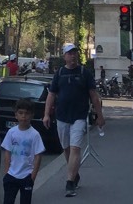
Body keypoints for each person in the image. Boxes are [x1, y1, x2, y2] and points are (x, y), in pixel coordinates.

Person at [43, 44, 105, 198]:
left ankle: (70, 182)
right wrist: (46, 114)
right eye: (69, 53)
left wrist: (99, 115)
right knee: (66, 148)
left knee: (75, 147)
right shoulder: (60, 73)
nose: (73, 56)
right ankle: (74, 173)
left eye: (74, 53)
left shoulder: (85, 73)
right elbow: (51, 95)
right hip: (62, 116)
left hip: (79, 116)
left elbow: (93, 96)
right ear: (64, 56)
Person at [2, 98, 45, 204]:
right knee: (8, 201)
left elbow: (38, 156)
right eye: (20, 113)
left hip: (27, 175)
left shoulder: (34, 134)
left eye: (27, 113)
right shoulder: (11, 132)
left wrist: (32, 177)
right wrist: (7, 172)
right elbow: (7, 152)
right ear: (16, 115)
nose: (23, 116)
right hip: (11, 175)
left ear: (32, 115)